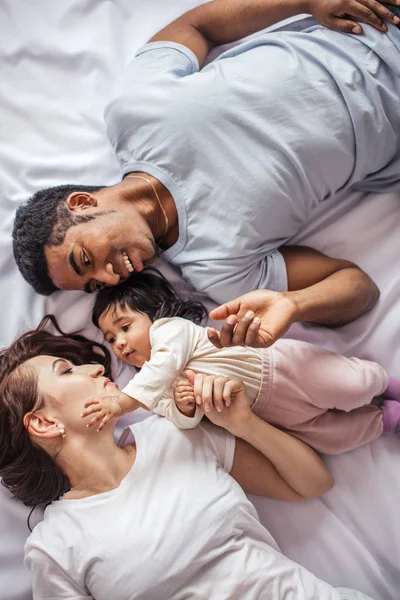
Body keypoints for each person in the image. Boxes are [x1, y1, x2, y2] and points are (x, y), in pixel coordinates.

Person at [12, 0, 400, 348]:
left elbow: (197, 26)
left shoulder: (133, 112)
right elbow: (358, 287)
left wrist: (303, 2)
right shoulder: (218, 271)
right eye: (95, 285)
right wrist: (293, 304)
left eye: (85, 259)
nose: (110, 278)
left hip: (372, 22)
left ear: (82, 204)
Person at [0, 316, 377, 600]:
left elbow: (313, 484)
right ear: (45, 423)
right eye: (66, 371)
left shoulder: (174, 435)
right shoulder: (55, 547)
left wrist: (243, 422)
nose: (98, 367)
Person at [88, 268, 400, 453]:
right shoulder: (150, 386)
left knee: (350, 385)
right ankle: (385, 419)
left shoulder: (168, 331)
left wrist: (121, 405)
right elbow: (182, 420)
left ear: (155, 311)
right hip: (267, 413)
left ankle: (383, 382)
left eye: (125, 327)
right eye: (111, 339)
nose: (121, 343)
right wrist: (184, 406)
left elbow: (163, 367)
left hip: (282, 369)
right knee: (332, 439)